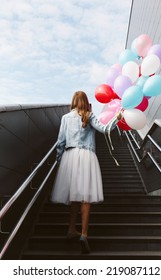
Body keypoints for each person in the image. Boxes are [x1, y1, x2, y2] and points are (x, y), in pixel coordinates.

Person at [50, 91, 122, 253]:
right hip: (87, 156)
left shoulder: (65, 118)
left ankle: (70, 229)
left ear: (73, 102)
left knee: (75, 196)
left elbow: (60, 143)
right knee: (86, 198)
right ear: (86, 102)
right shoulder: (89, 115)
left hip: (70, 156)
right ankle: (83, 234)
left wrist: (60, 162)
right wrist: (116, 119)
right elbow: (105, 130)